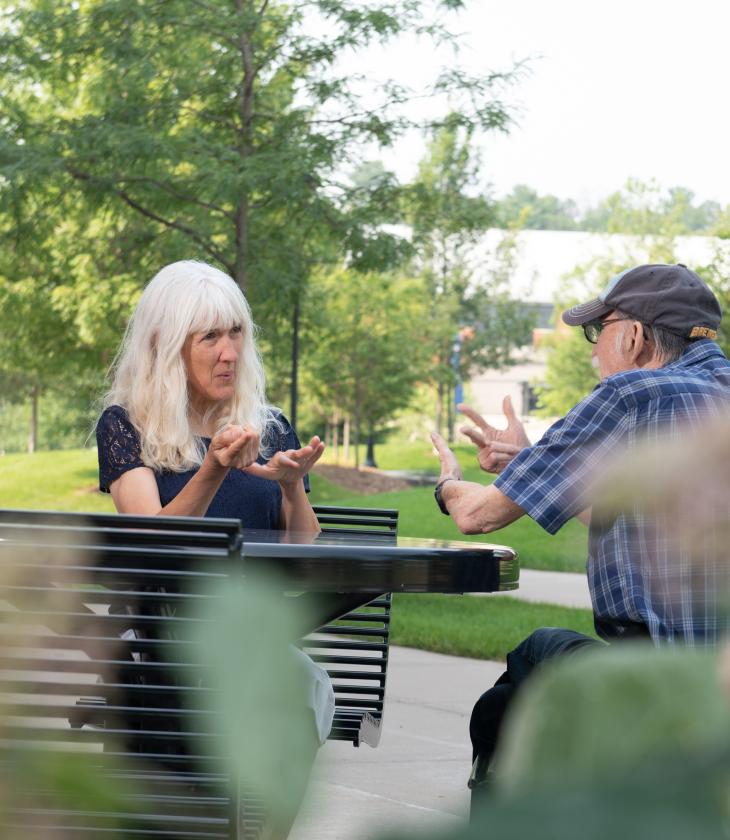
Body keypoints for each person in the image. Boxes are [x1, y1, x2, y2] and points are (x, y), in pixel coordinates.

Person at [430, 263, 730, 794]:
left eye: (599, 331)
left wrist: (448, 484)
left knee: (525, 669)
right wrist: (529, 465)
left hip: (669, 687)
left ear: (634, 335)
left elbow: (476, 515)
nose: (593, 350)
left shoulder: (632, 395)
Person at [95, 260, 330, 838]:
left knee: (296, 688)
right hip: (158, 646)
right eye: (210, 337)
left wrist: (291, 484)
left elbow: (306, 551)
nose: (229, 352)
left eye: (235, 333)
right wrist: (213, 468)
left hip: (250, 643)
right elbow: (151, 543)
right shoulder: (128, 426)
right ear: (168, 346)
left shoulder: (269, 426)